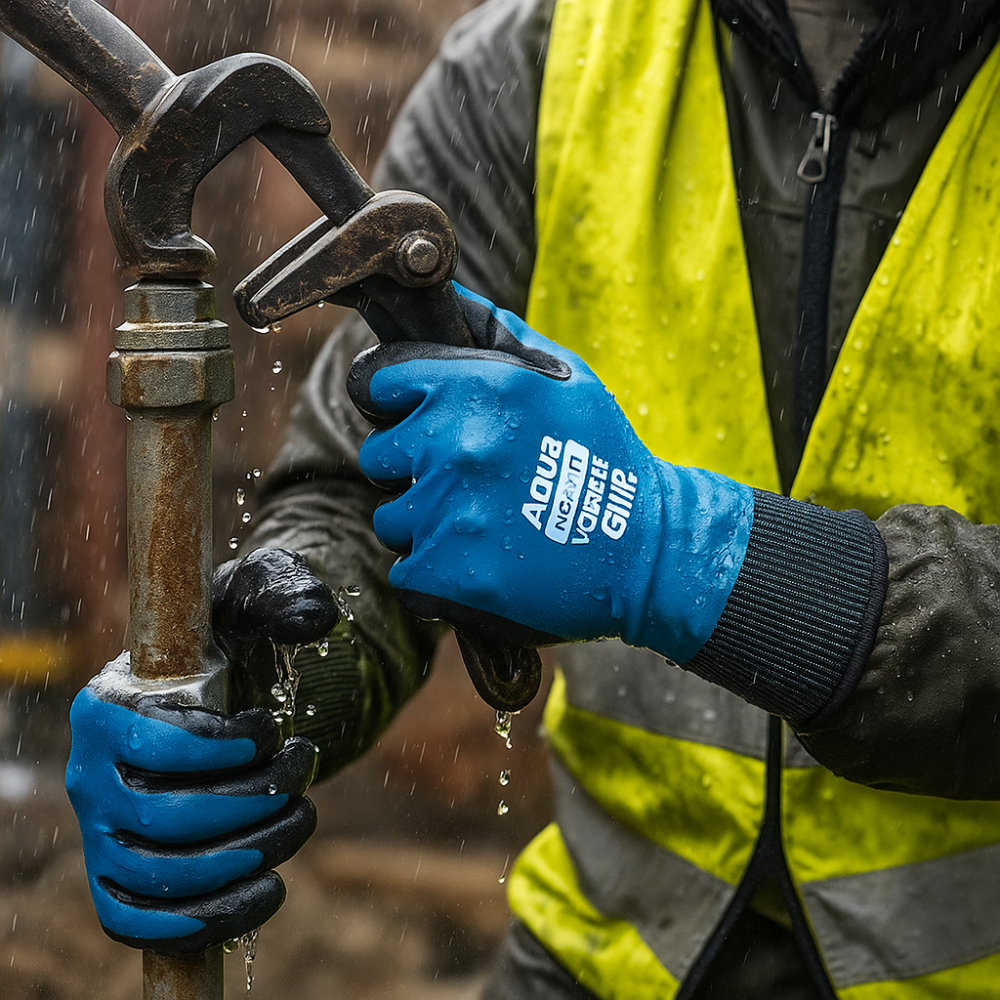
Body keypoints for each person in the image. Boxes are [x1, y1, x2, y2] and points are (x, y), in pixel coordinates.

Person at [65, 0, 1000, 996]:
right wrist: (249, 696)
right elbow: (361, 495)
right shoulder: (539, 58)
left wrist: (687, 555)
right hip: (600, 958)